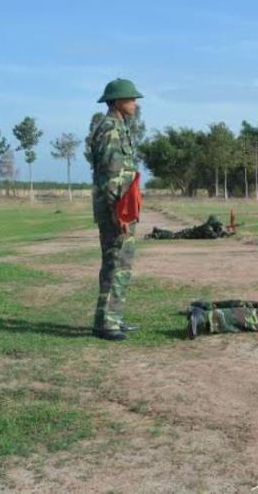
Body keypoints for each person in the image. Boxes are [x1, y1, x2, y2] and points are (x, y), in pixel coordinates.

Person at [89, 78, 144, 341]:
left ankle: (113, 316)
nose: (135, 104)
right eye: (131, 99)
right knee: (115, 262)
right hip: (116, 209)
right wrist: (119, 212)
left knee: (121, 263)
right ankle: (106, 322)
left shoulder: (119, 126)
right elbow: (111, 174)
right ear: (118, 101)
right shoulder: (109, 128)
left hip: (122, 206)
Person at [144, 215, 234, 240]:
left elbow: (217, 234)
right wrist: (221, 232)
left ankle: (158, 231)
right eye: (217, 224)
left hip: (190, 232)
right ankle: (156, 235)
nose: (218, 225)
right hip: (188, 234)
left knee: (173, 234)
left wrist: (227, 233)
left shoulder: (210, 227)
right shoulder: (208, 228)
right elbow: (213, 236)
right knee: (173, 236)